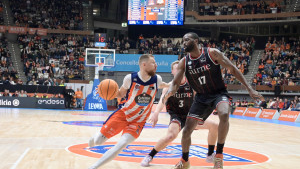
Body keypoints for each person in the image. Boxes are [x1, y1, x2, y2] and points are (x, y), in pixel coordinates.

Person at [162, 32, 263, 169]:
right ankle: (185, 161)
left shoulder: (212, 53)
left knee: (224, 113)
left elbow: (232, 69)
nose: (184, 42)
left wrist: (250, 88)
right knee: (186, 131)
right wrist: (171, 91)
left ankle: (219, 155)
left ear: (196, 41)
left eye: (187, 40)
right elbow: (175, 82)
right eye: (183, 40)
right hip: (201, 98)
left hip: (218, 93)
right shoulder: (184, 62)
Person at [88, 54, 169, 169]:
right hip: (123, 114)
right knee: (98, 141)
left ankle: (93, 167)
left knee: (121, 144)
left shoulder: (157, 79)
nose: (156, 65)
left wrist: (175, 83)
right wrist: (104, 91)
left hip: (138, 121)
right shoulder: (130, 78)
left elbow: (164, 85)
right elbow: (120, 94)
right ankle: (92, 140)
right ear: (144, 64)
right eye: (153, 63)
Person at [141, 61, 219, 167]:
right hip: (177, 116)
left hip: (191, 115)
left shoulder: (192, 84)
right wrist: (156, 113)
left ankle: (210, 154)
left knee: (214, 126)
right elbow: (162, 101)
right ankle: (150, 156)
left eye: (181, 68)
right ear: (172, 71)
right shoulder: (169, 86)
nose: (179, 70)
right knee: (170, 136)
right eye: (176, 69)